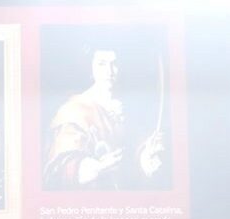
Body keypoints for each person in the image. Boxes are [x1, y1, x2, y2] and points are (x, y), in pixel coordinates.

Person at [43, 48, 164, 190]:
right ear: (91, 68)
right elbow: (62, 165)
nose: (109, 71)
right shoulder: (73, 109)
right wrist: (95, 168)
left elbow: (136, 146)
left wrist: (145, 158)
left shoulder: (131, 105)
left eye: (115, 64)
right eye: (102, 64)